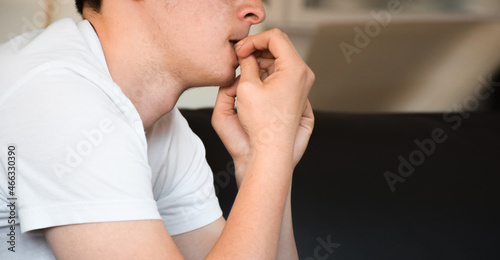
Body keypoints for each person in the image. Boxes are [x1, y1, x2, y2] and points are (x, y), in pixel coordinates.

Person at [0, 0, 315, 258]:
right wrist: (270, 149)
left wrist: (263, 157)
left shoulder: (162, 127)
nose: (256, 11)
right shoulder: (57, 99)